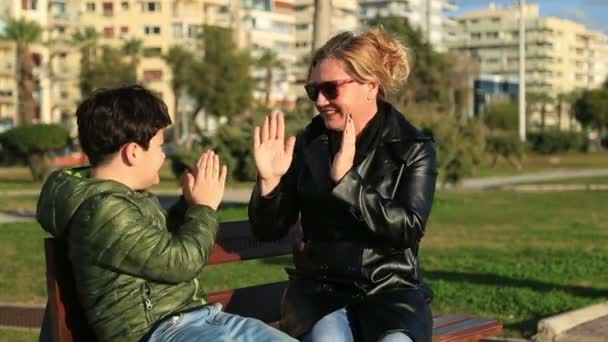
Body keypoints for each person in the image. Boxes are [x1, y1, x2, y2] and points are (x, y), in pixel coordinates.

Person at [36, 85, 296, 342]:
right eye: (159, 146)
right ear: (133, 152)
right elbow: (180, 262)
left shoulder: (122, 200)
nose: (163, 156)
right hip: (162, 331)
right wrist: (203, 208)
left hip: (199, 320)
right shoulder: (103, 211)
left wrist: (188, 204)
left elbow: (153, 245)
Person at [249, 29, 437, 342]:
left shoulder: (412, 147)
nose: (320, 101)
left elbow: (408, 228)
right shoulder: (309, 144)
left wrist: (348, 183)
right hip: (319, 292)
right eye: (313, 90)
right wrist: (269, 184)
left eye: (331, 89)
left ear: (370, 86)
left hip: (390, 290)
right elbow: (269, 230)